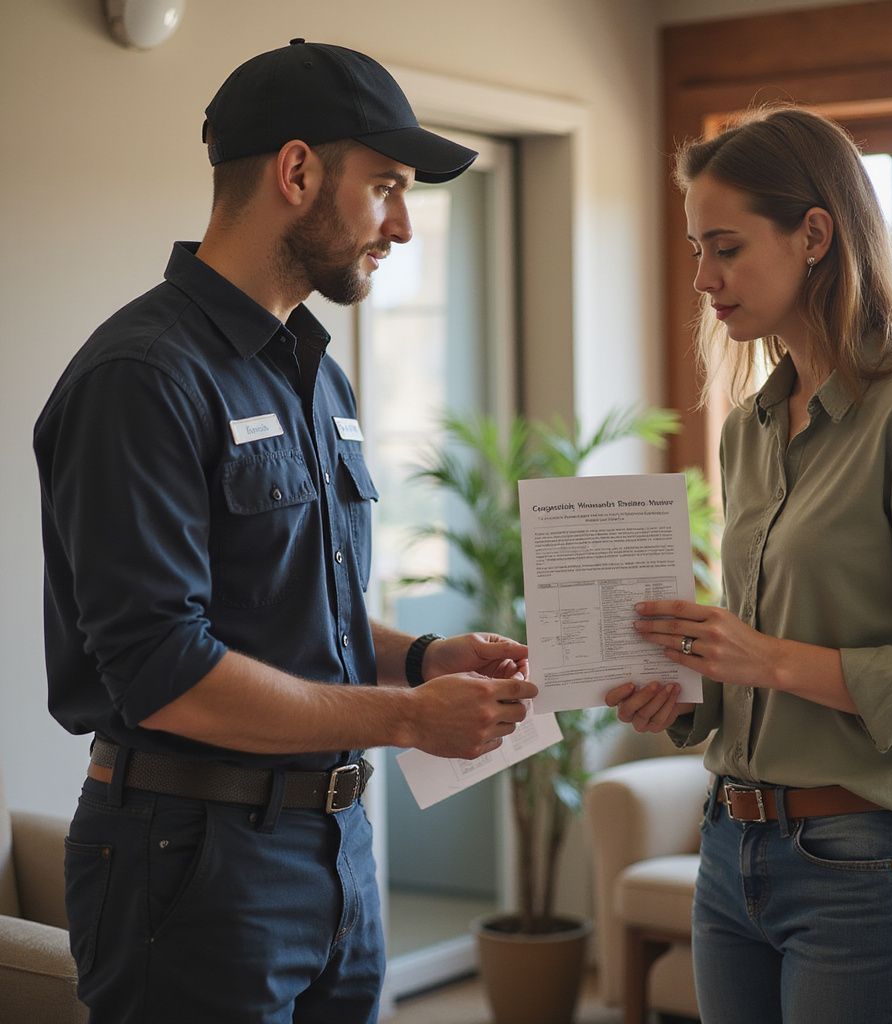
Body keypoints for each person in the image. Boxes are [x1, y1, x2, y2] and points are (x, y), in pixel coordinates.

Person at [33, 39, 536, 1024]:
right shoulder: (143, 378)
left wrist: (423, 658)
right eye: (386, 186)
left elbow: (308, 609)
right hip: (191, 858)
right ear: (296, 171)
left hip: (338, 850)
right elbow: (164, 668)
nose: (401, 224)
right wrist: (404, 719)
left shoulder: (317, 374)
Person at [605, 106, 892, 1024]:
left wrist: (764, 657)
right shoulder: (753, 430)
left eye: (726, 248)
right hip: (731, 852)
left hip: (872, 869)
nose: (704, 280)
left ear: (816, 236)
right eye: (694, 251)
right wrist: (680, 691)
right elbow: (754, 663)